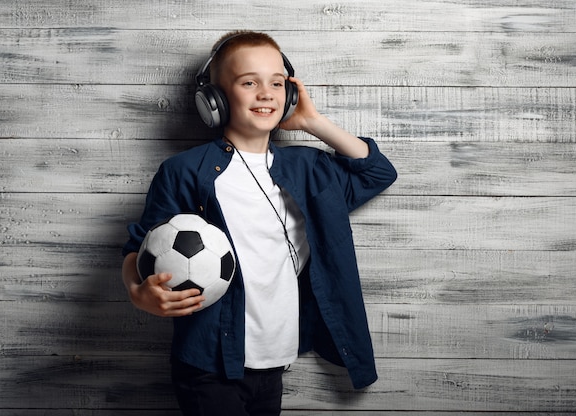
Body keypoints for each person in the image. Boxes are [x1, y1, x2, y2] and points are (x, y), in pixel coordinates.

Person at [121, 30, 397, 416]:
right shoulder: (185, 171)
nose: (265, 93)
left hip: (275, 360)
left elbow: (378, 173)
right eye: (248, 82)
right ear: (214, 100)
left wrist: (313, 121)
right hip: (210, 362)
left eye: (277, 83)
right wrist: (138, 291)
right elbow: (139, 247)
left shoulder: (309, 168)